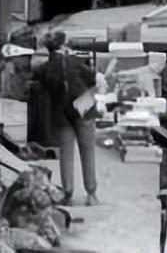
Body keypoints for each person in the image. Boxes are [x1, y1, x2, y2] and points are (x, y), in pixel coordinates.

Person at [32, 32, 99, 206]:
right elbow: (93, 78)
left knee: (66, 153)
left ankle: (67, 193)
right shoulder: (76, 62)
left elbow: (37, 76)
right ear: (64, 46)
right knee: (87, 151)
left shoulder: (46, 68)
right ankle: (91, 194)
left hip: (61, 113)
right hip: (83, 109)